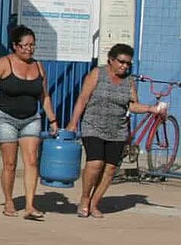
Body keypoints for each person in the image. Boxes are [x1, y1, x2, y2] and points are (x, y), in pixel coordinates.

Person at [67, 44, 164, 219]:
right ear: (111, 60)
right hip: (93, 125)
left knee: (110, 168)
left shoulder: (129, 81)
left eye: (128, 63)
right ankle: (85, 198)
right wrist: (73, 123)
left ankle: (94, 204)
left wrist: (151, 108)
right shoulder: (97, 74)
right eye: (121, 62)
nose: (124, 66)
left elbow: (132, 105)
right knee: (95, 163)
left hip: (117, 129)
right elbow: (83, 98)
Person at [0, 25, 59, 220]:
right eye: (25, 45)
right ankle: (9, 201)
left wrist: (53, 119)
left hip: (31, 118)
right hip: (6, 118)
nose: (29, 49)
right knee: (10, 163)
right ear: (15, 46)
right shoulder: (4, 63)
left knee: (31, 161)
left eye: (32, 45)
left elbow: (44, 96)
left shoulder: (39, 67)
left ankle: (30, 205)